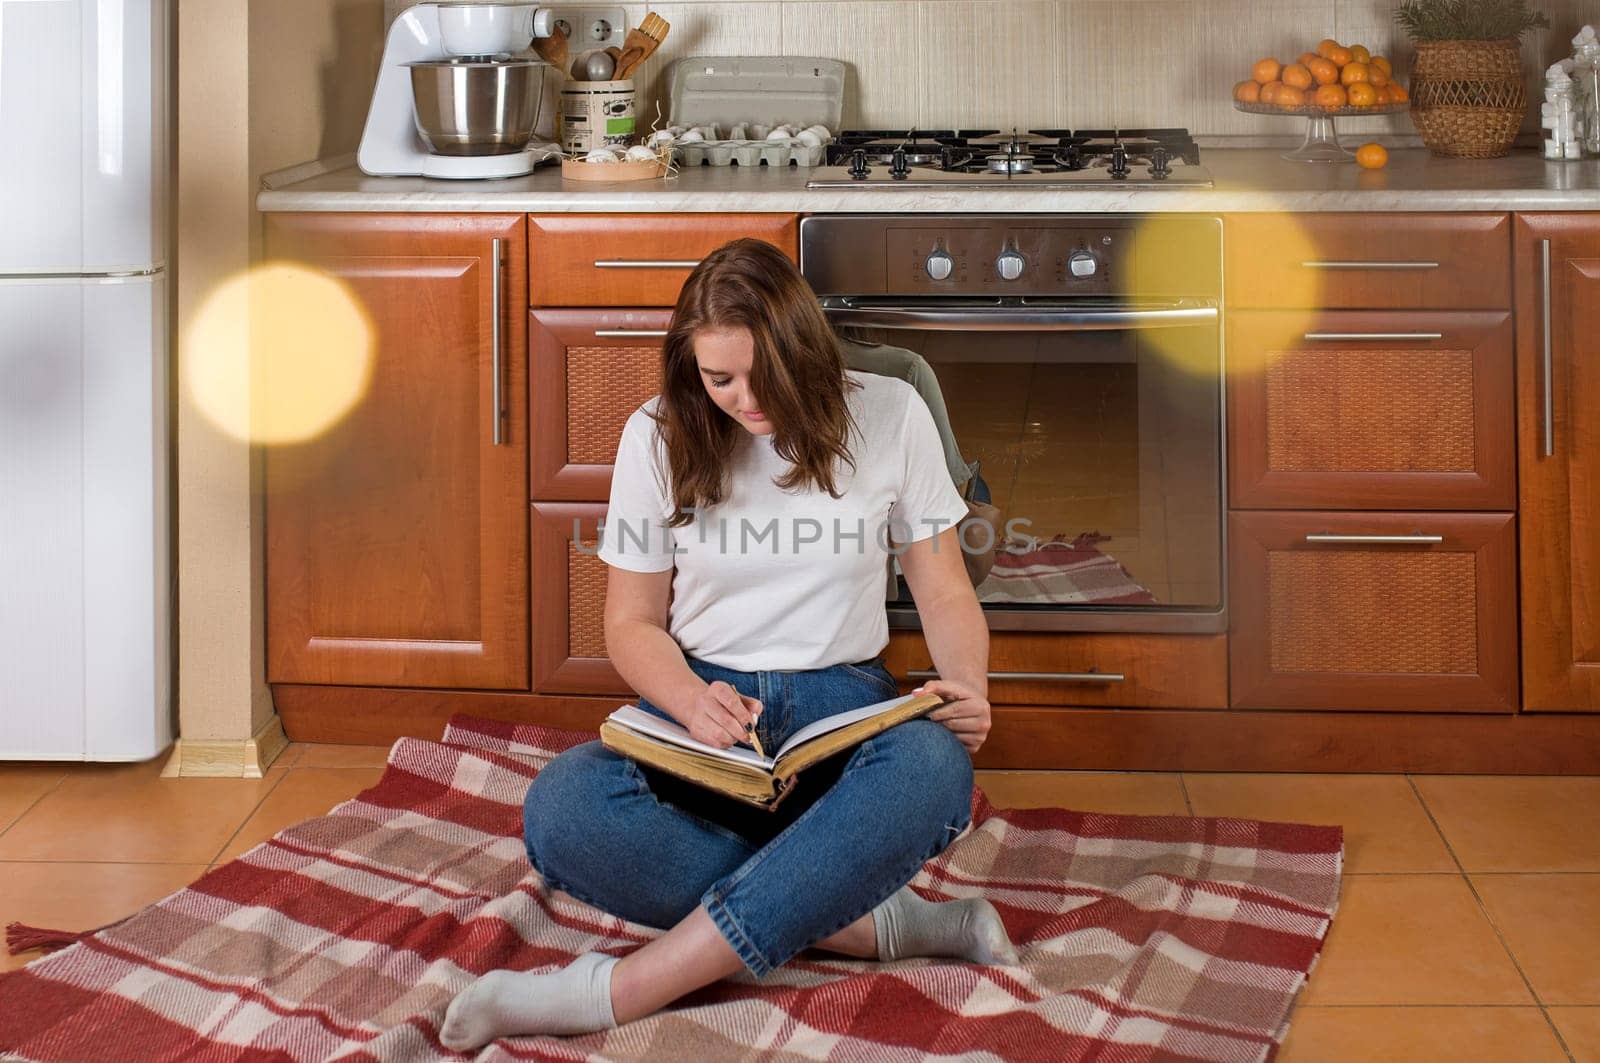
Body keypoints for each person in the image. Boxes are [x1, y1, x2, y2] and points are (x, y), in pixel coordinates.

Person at [440, 239, 1018, 1052]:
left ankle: (613, 991)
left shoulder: (891, 412)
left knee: (932, 766)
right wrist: (686, 699)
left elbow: (946, 589)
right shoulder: (658, 434)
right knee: (563, 807)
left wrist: (966, 685)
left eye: (762, 376)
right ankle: (871, 921)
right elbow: (631, 623)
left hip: (843, 709)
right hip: (704, 715)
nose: (744, 400)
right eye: (720, 379)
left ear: (804, 352)